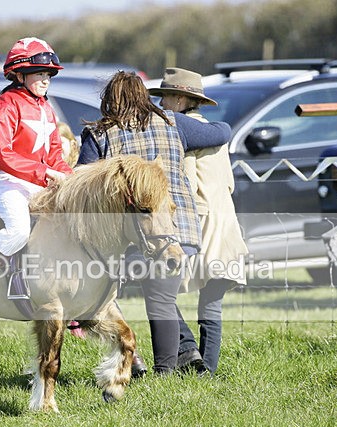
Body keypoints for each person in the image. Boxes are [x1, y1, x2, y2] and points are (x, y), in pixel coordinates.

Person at [78, 70, 231, 375]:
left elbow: (82, 180)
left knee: (100, 294)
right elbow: (221, 132)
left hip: (128, 236)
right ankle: (165, 372)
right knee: (161, 301)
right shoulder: (173, 122)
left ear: (109, 99)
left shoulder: (98, 134)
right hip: (179, 229)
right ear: (142, 96)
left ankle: (133, 361)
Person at [0, 37, 71, 323]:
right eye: (39, 73)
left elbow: (56, 155)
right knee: (19, 231)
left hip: (38, 183)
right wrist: (46, 173)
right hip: (8, 184)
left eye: (48, 74)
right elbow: (2, 155)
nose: (46, 79)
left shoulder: (46, 108)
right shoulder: (5, 104)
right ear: (19, 75)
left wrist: (72, 180)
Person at [149, 68, 248, 374]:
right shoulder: (215, 133)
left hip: (201, 228)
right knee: (211, 306)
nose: (162, 104)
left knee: (158, 291)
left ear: (180, 99)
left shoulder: (182, 132)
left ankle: (188, 352)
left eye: (165, 97)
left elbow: (185, 187)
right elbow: (229, 184)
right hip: (228, 228)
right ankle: (207, 370)